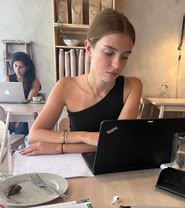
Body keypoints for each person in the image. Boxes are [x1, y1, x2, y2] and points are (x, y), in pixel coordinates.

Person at [20, 8, 142, 156]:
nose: (117, 64)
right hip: (76, 166)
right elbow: (34, 136)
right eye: (109, 53)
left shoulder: (133, 86)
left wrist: (61, 147)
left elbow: (117, 142)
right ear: (89, 48)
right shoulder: (65, 86)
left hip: (113, 168)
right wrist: (84, 136)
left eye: (125, 56)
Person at [4, 52, 41, 136]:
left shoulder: (34, 81)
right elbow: (6, 98)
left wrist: (19, 120)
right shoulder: (8, 78)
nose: (17, 69)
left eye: (21, 67)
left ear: (27, 68)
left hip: (26, 114)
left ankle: (14, 141)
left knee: (23, 126)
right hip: (10, 112)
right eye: (15, 66)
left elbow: (28, 103)